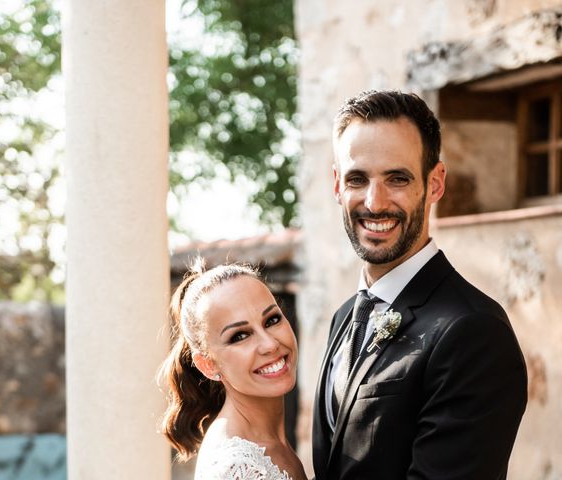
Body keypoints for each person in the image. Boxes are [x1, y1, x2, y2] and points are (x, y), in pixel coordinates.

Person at [312, 90, 528, 479]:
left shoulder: (473, 330)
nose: (375, 203)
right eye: (357, 179)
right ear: (337, 185)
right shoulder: (346, 316)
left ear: (435, 184)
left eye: (397, 178)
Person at [158, 262, 308, 480]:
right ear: (208, 365)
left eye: (272, 320)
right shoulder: (236, 467)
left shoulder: (269, 442)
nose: (270, 344)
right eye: (240, 336)